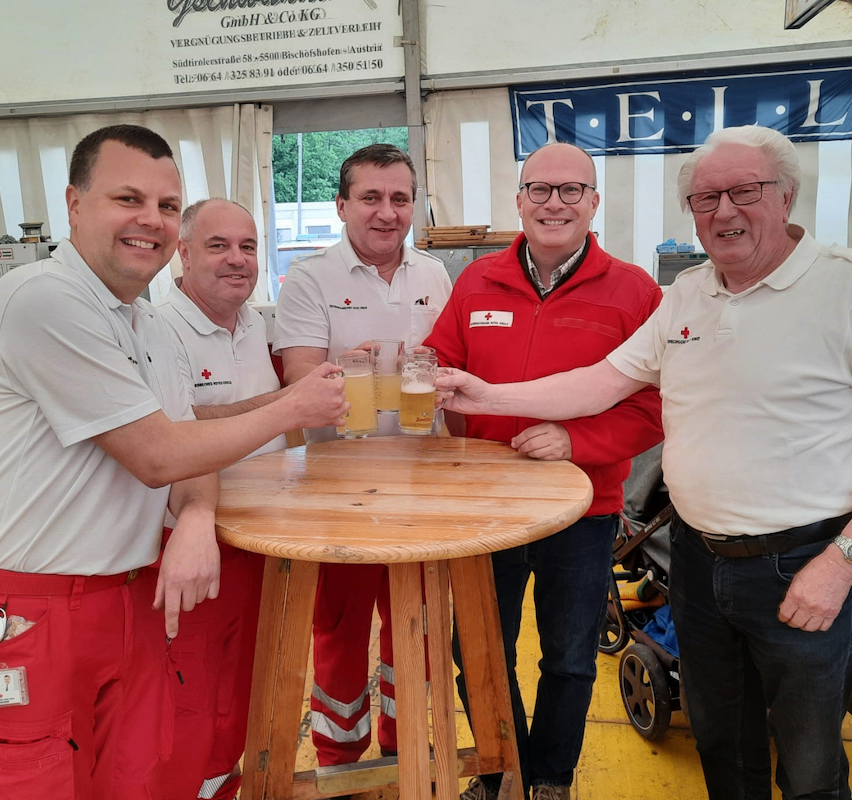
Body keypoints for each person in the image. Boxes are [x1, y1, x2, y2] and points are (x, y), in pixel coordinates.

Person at [438, 125, 852, 800]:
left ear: (787, 197)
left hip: (801, 564)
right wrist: (486, 393)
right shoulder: (688, 294)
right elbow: (603, 381)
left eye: (743, 192)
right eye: (704, 198)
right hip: (695, 561)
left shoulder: (841, 288)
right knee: (723, 744)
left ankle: (547, 776)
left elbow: (630, 407)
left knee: (808, 761)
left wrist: (842, 560)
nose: (722, 212)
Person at [0, 125, 346, 800]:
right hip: (44, 603)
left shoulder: (147, 323)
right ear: (73, 205)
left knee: (142, 777)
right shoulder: (42, 298)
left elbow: (185, 441)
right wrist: (291, 405)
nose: (149, 220)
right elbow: (157, 454)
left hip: (135, 594)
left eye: (164, 204)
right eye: (127, 198)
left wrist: (196, 515)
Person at [424, 141, 664, 800]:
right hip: (487, 506)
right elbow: (439, 361)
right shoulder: (475, 282)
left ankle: (551, 777)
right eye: (539, 189)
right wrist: (411, 369)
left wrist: (577, 438)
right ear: (520, 199)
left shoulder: (634, 291)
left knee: (567, 654)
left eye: (569, 191)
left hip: (581, 507)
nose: (553, 203)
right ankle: (504, 767)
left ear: (592, 202)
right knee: (476, 648)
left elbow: (654, 409)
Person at [273, 144, 452, 766]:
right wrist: (348, 370)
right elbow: (297, 378)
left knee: (419, 630)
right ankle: (338, 755)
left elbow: (451, 364)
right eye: (370, 198)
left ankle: (409, 753)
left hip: (424, 482)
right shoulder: (309, 278)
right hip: (339, 485)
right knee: (341, 630)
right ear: (342, 203)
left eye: (399, 198)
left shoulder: (434, 275)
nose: (386, 212)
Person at [131, 198, 285, 800]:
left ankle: (222, 786)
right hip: (189, 537)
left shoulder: (254, 327)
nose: (237, 260)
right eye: (219, 246)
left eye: (247, 247)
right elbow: (178, 426)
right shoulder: (159, 330)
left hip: (256, 535)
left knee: (241, 686)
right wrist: (286, 405)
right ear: (183, 254)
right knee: (187, 694)